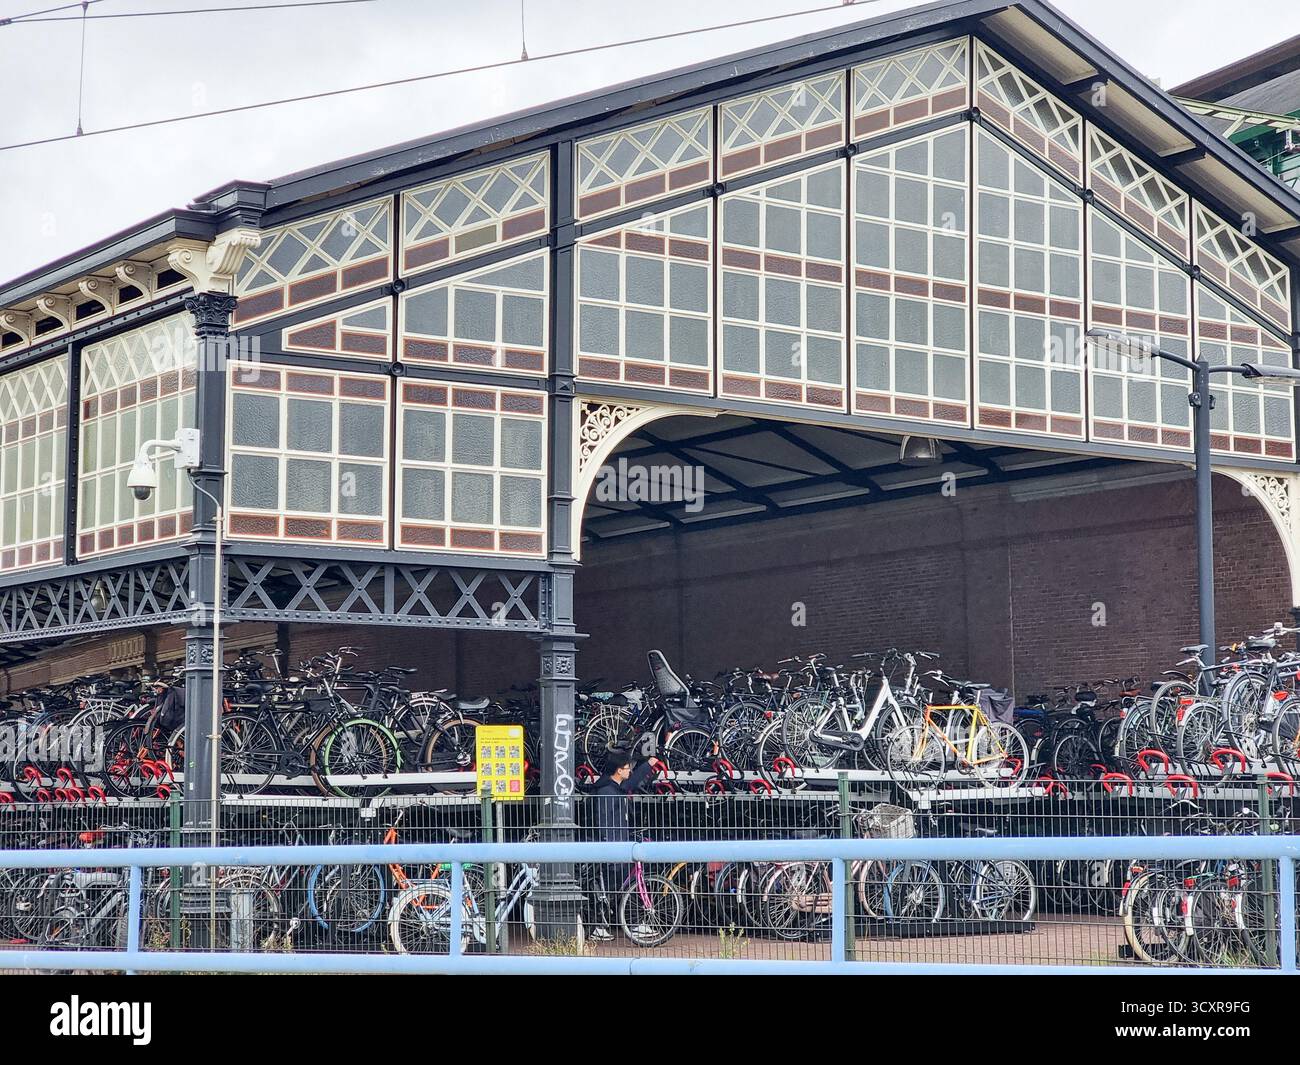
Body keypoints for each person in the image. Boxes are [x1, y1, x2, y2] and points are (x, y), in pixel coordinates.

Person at [588, 735, 656, 941]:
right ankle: (602, 926)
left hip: (619, 847)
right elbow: (604, 821)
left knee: (621, 887)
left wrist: (647, 766)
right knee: (612, 888)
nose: (629, 771)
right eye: (628, 768)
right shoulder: (607, 792)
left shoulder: (613, 787)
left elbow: (631, 784)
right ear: (619, 770)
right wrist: (611, 847)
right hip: (613, 849)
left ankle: (624, 925)